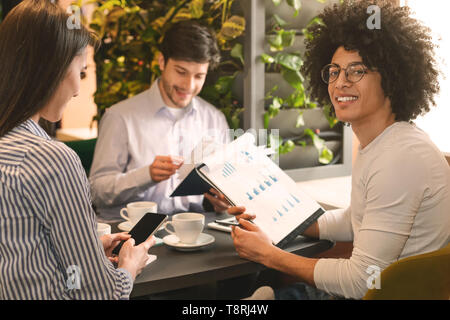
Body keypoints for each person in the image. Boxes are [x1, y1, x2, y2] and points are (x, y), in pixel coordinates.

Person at [229, 0, 450, 300]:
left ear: (392, 77)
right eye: (334, 71)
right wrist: (275, 217)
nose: (340, 83)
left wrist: (269, 255)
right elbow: (355, 218)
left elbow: (362, 281)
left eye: (356, 71)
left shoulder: (400, 158)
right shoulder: (383, 143)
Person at [0, 0, 155, 299]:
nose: (77, 89)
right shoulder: (53, 159)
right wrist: (129, 266)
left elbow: (17, 253)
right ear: (52, 68)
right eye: (81, 72)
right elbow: (103, 294)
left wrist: (87, 249)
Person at [89, 20, 231, 222]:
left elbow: (224, 184)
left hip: (195, 231)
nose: (189, 85)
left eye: (199, 76)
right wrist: (146, 175)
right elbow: (96, 192)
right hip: (128, 233)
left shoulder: (214, 119)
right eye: (181, 72)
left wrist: (222, 202)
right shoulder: (120, 117)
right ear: (162, 62)